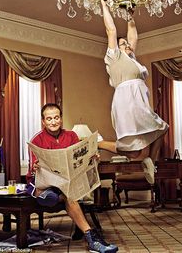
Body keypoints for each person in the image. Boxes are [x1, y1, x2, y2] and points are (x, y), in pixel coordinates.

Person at [26, 103, 118, 253]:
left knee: (68, 195)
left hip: (66, 182)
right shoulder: (36, 140)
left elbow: (79, 160)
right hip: (43, 182)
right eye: (49, 119)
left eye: (56, 117)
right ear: (43, 121)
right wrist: (35, 167)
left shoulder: (71, 136)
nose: (53, 121)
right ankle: (92, 238)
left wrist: (92, 157)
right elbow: (32, 170)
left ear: (61, 119)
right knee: (54, 193)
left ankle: (90, 237)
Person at [98, 0, 169, 184]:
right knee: (160, 128)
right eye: (122, 44)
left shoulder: (132, 59)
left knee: (139, 148)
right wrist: (104, 7)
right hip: (127, 102)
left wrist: (130, 15)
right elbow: (111, 31)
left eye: (126, 44)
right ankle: (99, 143)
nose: (127, 45)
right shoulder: (114, 57)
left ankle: (149, 162)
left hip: (139, 101)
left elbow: (134, 38)